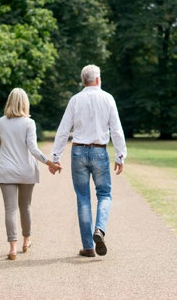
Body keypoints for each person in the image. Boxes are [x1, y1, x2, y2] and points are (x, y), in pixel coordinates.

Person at [50, 64, 127, 257]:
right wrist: (120, 155)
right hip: (100, 152)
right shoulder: (108, 98)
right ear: (98, 80)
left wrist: (55, 157)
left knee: (83, 198)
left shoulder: (75, 100)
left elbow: (63, 130)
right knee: (105, 194)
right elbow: (116, 130)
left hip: (78, 152)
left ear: (83, 81)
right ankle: (99, 229)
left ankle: (88, 247)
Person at [0, 88, 62, 260]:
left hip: (6, 170)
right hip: (26, 171)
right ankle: (26, 241)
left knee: (10, 209)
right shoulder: (28, 123)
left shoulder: (0, 122)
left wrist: (2, 164)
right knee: (25, 206)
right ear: (25, 103)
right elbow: (33, 149)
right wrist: (49, 163)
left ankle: (12, 247)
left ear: (9, 101)